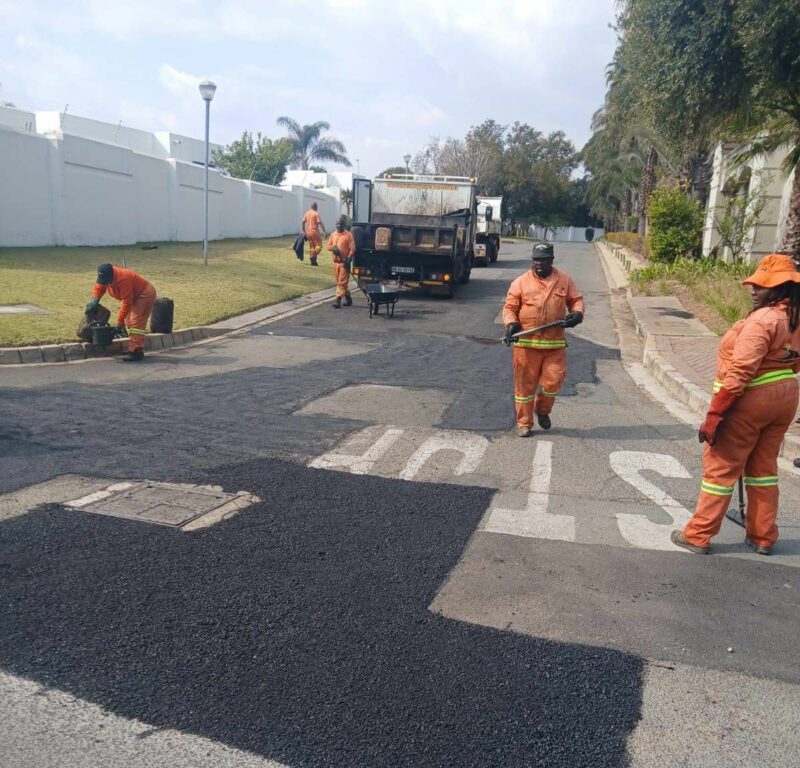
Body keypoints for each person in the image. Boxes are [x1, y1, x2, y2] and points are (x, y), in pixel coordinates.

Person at [672, 254, 800, 556]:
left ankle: (698, 535)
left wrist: (715, 414)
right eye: (754, 285)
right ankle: (763, 536)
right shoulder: (795, 317)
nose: (754, 290)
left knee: (720, 469)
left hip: (749, 401)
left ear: (781, 288)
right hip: (785, 397)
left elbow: (740, 371)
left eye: (762, 286)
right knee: (763, 470)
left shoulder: (763, 321)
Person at [502, 242, 585, 437]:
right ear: (533, 260)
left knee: (552, 382)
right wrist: (511, 324)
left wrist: (577, 314)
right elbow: (509, 308)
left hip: (554, 344)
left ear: (551, 260)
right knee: (524, 386)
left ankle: (542, 409)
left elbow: (576, 300)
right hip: (526, 344)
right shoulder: (520, 282)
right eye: (536, 260)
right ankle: (524, 423)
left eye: (544, 260)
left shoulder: (564, 280)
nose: (539, 263)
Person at [84, 263, 156, 362]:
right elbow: (99, 288)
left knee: (135, 323)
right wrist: (94, 300)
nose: (104, 283)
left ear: (111, 276)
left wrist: (119, 321)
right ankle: (134, 347)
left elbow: (126, 302)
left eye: (106, 281)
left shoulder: (123, 279)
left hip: (143, 295)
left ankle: (136, 351)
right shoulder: (105, 274)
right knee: (129, 323)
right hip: (133, 297)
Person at [327, 215, 356, 309]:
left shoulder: (348, 235)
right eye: (337, 224)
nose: (339, 226)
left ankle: (338, 301)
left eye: (341, 224)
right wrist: (333, 248)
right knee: (340, 283)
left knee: (341, 283)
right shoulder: (333, 235)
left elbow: (353, 249)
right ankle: (348, 299)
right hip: (336, 263)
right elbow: (328, 246)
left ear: (344, 225)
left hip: (344, 263)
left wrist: (349, 258)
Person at [302, 202, 327, 267]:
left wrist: (304, 231)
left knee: (312, 246)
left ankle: (313, 262)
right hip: (315, 232)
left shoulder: (307, 213)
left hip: (308, 232)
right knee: (319, 246)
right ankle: (313, 256)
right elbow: (320, 223)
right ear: (316, 207)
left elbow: (303, 222)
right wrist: (324, 232)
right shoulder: (316, 213)